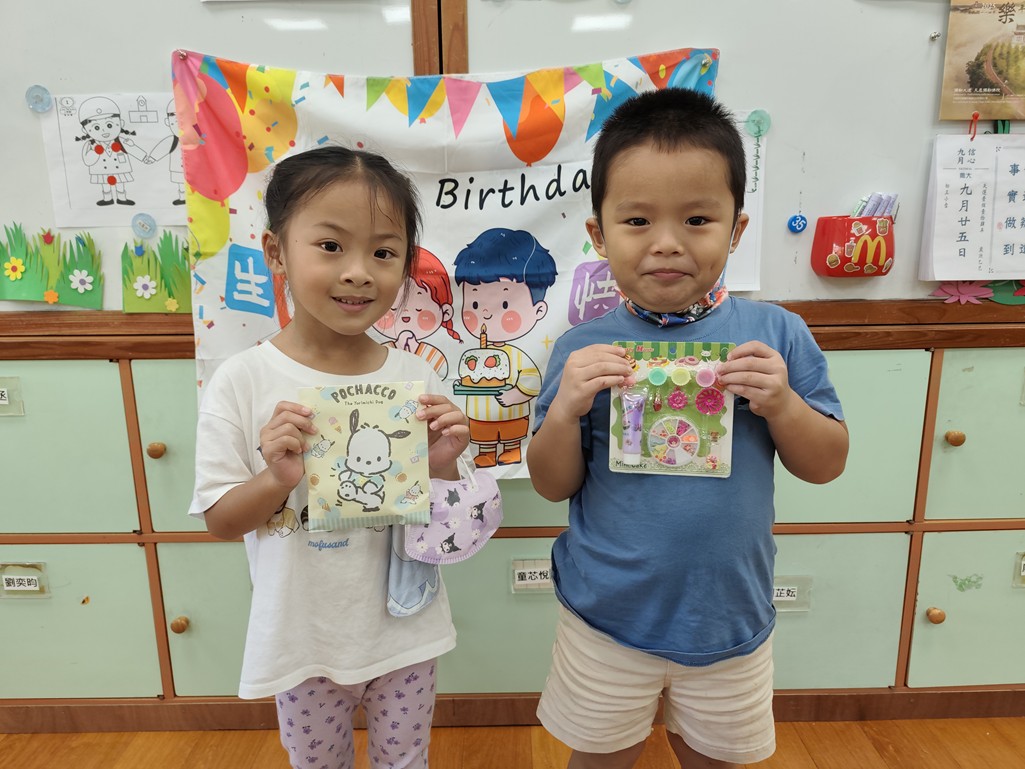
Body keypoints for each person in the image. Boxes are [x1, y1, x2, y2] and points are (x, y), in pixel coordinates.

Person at [526, 88, 849, 769]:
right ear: (598, 235)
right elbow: (552, 483)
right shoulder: (580, 349)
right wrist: (563, 411)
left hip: (728, 617)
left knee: (716, 759)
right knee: (599, 757)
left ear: (735, 229)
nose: (667, 242)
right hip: (605, 616)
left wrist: (784, 405)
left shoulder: (776, 334)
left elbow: (826, 463)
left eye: (698, 219)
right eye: (637, 220)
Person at [189, 145, 472, 769]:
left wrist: (446, 463)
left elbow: (450, 526)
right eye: (330, 246)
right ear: (275, 252)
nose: (358, 272)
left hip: (405, 628)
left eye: (384, 253)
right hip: (302, 640)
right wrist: (277, 478)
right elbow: (220, 521)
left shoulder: (416, 376)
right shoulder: (242, 381)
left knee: (407, 760)